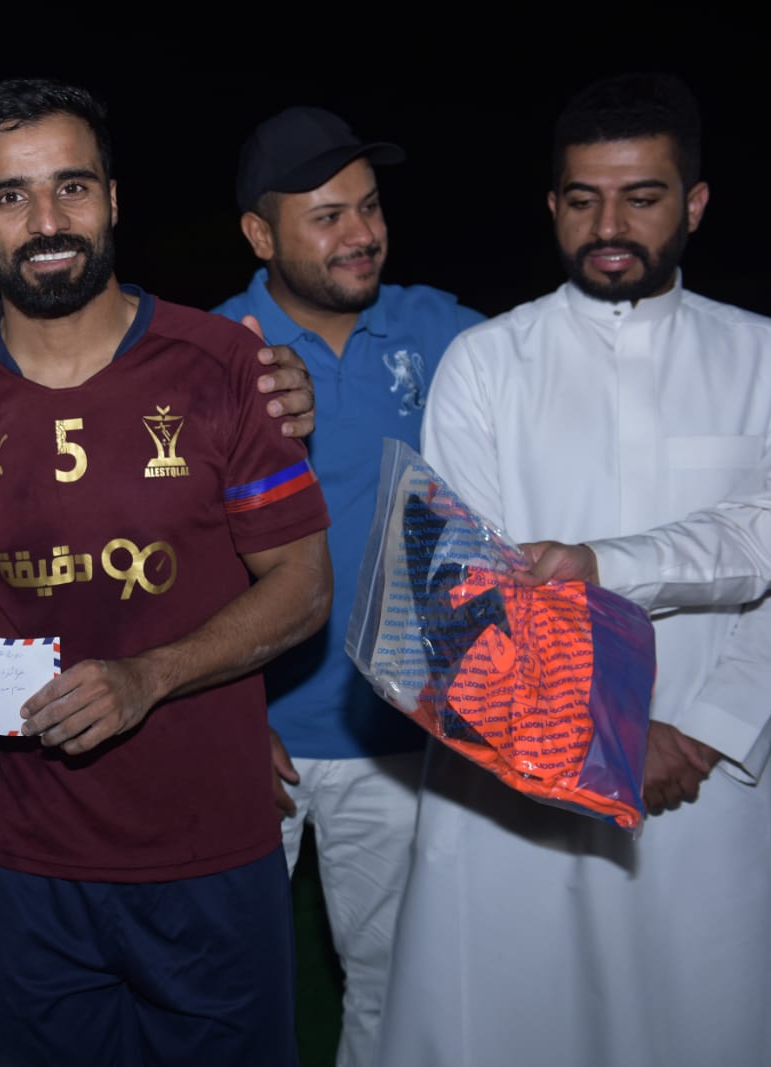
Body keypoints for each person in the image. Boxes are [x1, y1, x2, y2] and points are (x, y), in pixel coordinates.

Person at [0, 78, 334, 1065]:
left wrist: (148, 676)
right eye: (11, 196)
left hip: (209, 844)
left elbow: (301, 585)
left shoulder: (221, 367)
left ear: (112, 197)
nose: (46, 221)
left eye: (70, 187)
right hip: (25, 863)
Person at [380, 73, 771, 1066]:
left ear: (693, 203)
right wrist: (612, 738)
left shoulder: (761, 357)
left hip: (711, 772)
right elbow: (463, 586)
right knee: (511, 1022)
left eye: (641, 197)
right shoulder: (485, 361)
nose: (609, 226)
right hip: (518, 771)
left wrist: (713, 728)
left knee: (703, 1019)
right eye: (583, 199)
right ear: (552, 204)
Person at [210, 105, 483, 1067]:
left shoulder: (440, 332)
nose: (360, 233)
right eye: (327, 216)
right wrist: (224, 713)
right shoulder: (207, 352)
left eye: (368, 207)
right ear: (260, 234)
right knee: (225, 989)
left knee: (396, 986)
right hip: (251, 735)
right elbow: (166, 563)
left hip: (395, 731)